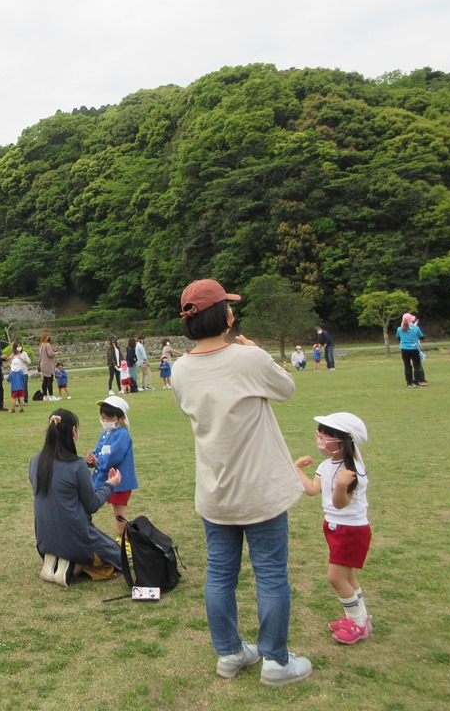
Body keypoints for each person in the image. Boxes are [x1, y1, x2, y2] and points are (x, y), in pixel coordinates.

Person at [172, 279, 311, 687]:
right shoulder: (246, 360)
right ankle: (276, 661)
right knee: (270, 573)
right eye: (229, 307)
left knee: (220, 573)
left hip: (215, 491)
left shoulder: (180, 369)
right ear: (223, 315)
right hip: (259, 491)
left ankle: (230, 653)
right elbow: (286, 388)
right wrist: (257, 353)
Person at [293, 413, 373, 644]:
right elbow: (312, 489)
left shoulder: (351, 470)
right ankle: (360, 618)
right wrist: (297, 469)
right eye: (320, 433)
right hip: (334, 527)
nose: (321, 439)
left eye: (327, 435)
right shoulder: (327, 465)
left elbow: (340, 503)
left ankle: (358, 623)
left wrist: (341, 485)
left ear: (344, 440)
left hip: (351, 530)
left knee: (336, 578)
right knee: (348, 577)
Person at [29, 408, 123, 587]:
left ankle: (59, 558)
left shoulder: (35, 461)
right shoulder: (77, 465)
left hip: (44, 540)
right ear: (73, 431)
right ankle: (75, 564)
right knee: (118, 556)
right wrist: (110, 484)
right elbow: (92, 504)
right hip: (75, 536)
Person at [85, 395, 137, 546]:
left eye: (109, 418)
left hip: (120, 482)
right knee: (114, 511)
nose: (105, 421)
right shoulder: (106, 434)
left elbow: (113, 456)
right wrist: (90, 459)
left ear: (120, 418)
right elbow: (98, 451)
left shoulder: (122, 435)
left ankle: (125, 541)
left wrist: (97, 461)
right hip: (107, 480)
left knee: (119, 513)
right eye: (103, 417)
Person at [396, 313, 426, 388]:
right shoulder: (415, 328)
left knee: (407, 366)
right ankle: (416, 382)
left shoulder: (399, 329)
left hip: (404, 349)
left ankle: (409, 383)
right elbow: (422, 337)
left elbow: (399, 339)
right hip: (414, 348)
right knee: (416, 366)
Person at [38, 331, 62, 401]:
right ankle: (51, 396)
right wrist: (57, 353)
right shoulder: (47, 344)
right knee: (49, 380)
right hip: (48, 365)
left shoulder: (42, 345)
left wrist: (55, 350)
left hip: (43, 365)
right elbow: (50, 354)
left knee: (45, 380)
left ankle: (45, 396)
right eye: (48, 336)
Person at [8, 341, 31, 413]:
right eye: (17, 346)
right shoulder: (13, 355)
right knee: (19, 389)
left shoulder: (24, 354)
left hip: (24, 372)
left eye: (20, 346)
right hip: (15, 373)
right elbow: (9, 362)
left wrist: (23, 359)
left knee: (24, 387)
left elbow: (29, 362)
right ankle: (19, 403)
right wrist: (10, 358)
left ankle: (24, 401)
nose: (19, 347)